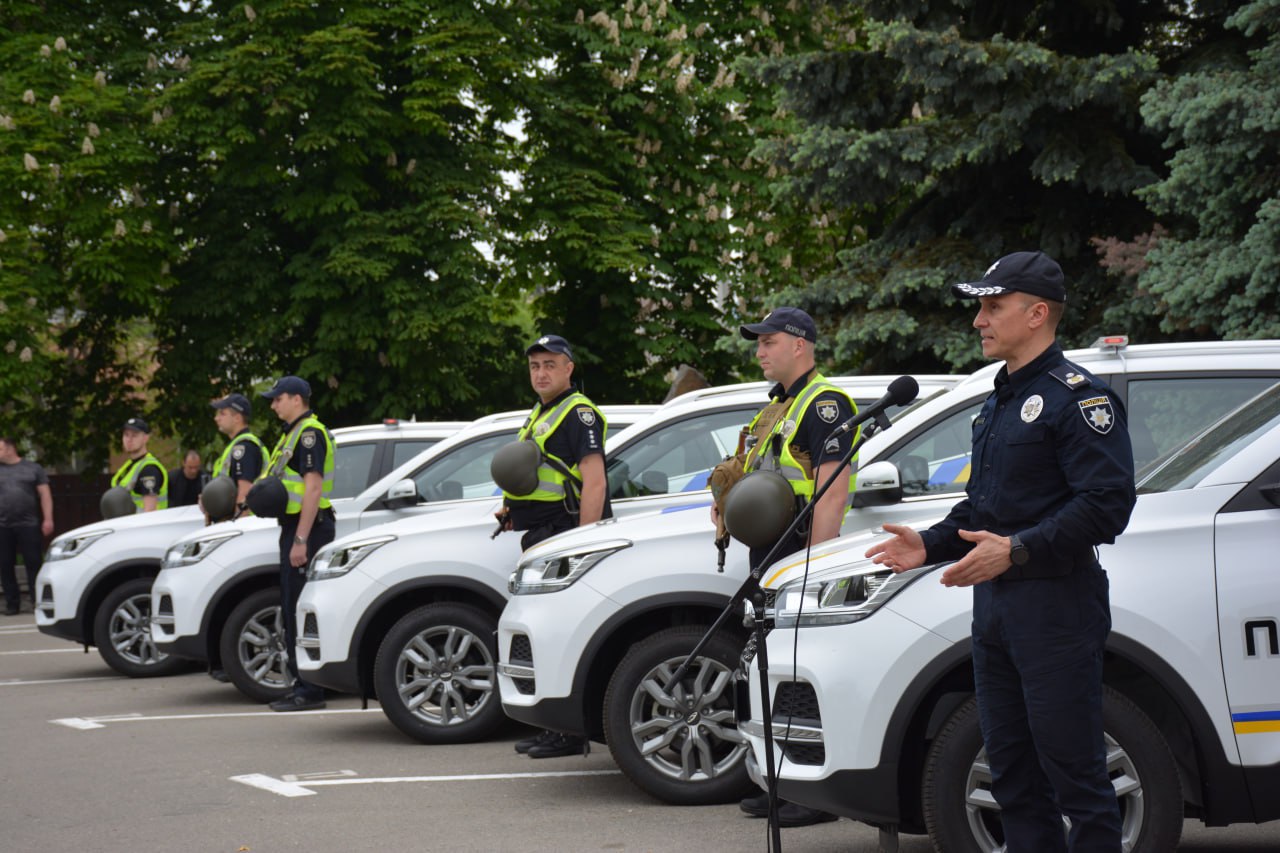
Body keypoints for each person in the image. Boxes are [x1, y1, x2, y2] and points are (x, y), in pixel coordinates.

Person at [865, 251, 1136, 852]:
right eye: (980, 307)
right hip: (996, 612)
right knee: (1012, 776)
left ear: (1037, 314)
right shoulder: (999, 400)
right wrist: (930, 543)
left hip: (1056, 608)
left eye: (993, 306)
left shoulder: (1078, 399)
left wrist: (1017, 551)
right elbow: (985, 510)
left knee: (1078, 778)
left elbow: (1107, 506)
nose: (978, 320)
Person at [714, 307, 856, 828]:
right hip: (770, 559)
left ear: (799, 344)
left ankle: (813, 798)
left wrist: (814, 571)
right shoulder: (777, 407)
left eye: (768, 342)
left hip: (799, 558)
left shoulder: (824, 406)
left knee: (798, 674)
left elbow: (831, 494)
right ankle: (783, 781)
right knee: (774, 671)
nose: (760, 351)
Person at [499, 334, 609, 759]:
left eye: (549, 364)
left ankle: (571, 733)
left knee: (562, 633)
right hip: (540, 535)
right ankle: (553, 727)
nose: (541, 373)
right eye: (534, 366)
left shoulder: (578, 414)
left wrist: (581, 545)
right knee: (542, 634)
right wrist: (511, 509)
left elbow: (594, 481)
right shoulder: (541, 413)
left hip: (564, 535)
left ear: (568, 368)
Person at [261, 376, 336, 712]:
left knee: (298, 609)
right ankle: (302, 684)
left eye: (277, 399)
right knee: (291, 607)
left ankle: (309, 691)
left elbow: (313, 489)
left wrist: (301, 540)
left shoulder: (309, 434)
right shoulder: (292, 434)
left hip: (308, 528)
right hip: (296, 527)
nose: (273, 405)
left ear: (295, 399)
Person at [0, 437, 53, 615]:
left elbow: (45, 495)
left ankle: (37, 601)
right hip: (3, 525)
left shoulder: (33, 468)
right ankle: (12, 604)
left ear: (10, 449)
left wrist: (48, 519)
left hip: (28, 523)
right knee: (5, 565)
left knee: (34, 563)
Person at [210, 392, 268, 508]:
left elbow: (244, 492)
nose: (216, 418)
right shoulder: (239, 445)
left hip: (243, 522)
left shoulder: (245, 447)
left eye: (222, 413)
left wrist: (237, 522)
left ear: (237, 418)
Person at [111, 418, 167, 513]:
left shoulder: (149, 469)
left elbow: (150, 511)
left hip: (142, 527)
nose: (129, 440)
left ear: (145, 438)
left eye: (134, 436)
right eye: (126, 435)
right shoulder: (130, 465)